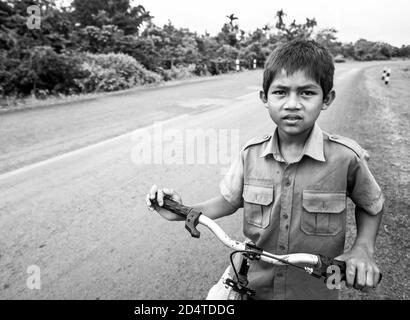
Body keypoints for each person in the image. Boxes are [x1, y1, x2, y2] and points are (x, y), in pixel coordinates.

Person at [146, 39, 384, 300]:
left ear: (326, 99)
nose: (292, 103)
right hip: (253, 285)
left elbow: (371, 204)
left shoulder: (346, 157)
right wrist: (182, 210)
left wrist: (363, 248)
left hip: (316, 290)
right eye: (281, 92)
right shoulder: (251, 154)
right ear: (265, 98)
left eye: (306, 93)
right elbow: (227, 201)